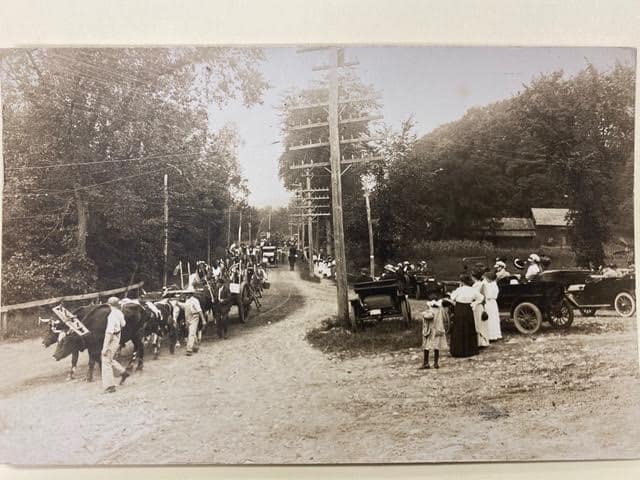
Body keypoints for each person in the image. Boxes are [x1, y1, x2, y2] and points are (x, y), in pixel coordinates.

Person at [448, 274, 483, 358]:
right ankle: (470, 350)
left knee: (458, 328)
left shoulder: (459, 290)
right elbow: (481, 298)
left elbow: (452, 298)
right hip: (468, 308)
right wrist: (474, 303)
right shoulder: (473, 290)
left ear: (462, 282)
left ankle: (458, 350)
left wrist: (451, 294)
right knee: (468, 327)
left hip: (459, 308)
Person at [102, 297, 129, 393]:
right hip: (118, 336)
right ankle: (123, 372)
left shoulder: (111, 315)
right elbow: (123, 324)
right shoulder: (119, 313)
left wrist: (105, 347)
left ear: (109, 305)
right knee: (110, 358)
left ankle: (110, 386)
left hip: (112, 338)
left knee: (105, 360)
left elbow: (109, 332)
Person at [419, 299, 449, 369]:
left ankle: (426, 363)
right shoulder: (441, 311)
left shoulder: (430, 311)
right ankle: (436, 363)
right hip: (439, 330)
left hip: (430, 331)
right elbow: (445, 319)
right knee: (436, 347)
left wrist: (423, 314)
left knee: (427, 346)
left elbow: (427, 317)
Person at [471, 270, 490, 348]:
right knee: (482, 323)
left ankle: (479, 342)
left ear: (473, 277)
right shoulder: (482, 284)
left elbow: (474, 296)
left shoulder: (476, 285)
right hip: (481, 305)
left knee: (477, 323)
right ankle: (484, 340)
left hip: (477, 305)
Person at [183, 289, 204, 356]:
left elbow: (199, 310)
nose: (186, 295)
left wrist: (203, 320)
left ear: (191, 294)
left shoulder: (195, 300)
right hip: (188, 317)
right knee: (192, 332)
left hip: (194, 317)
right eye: (186, 294)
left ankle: (189, 349)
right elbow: (185, 306)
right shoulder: (187, 300)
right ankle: (196, 346)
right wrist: (177, 303)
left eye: (188, 293)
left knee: (191, 332)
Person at [483, 270, 502, 341]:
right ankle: (495, 334)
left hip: (489, 302)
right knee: (494, 318)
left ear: (489, 278)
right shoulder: (494, 284)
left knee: (490, 318)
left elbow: (486, 294)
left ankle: (491, 335)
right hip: (493, 303)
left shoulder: (489, 285)